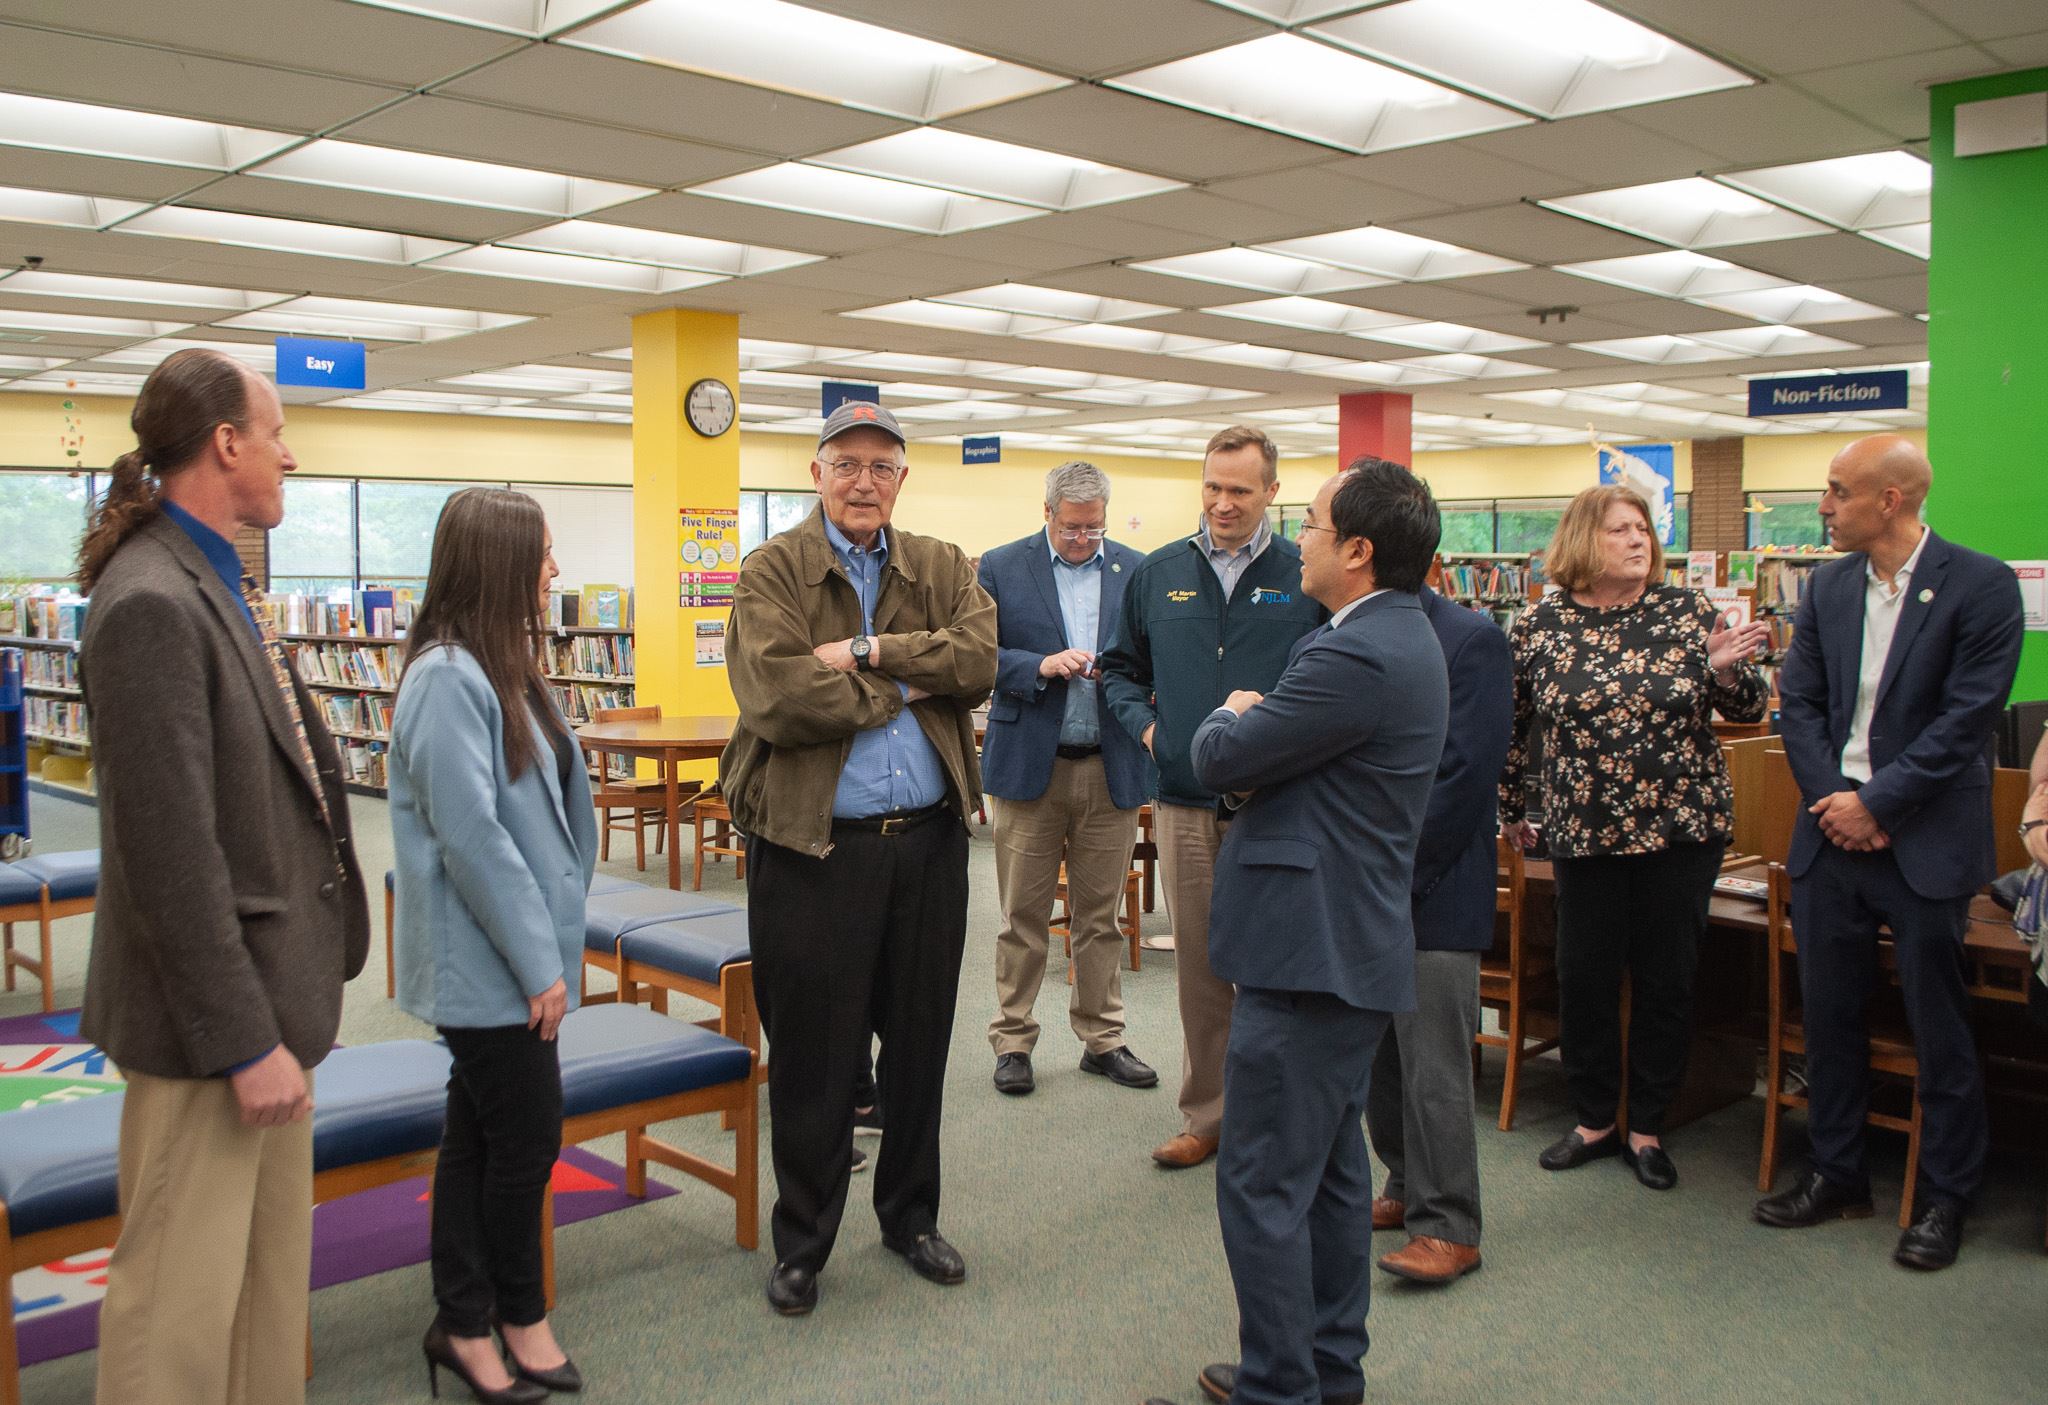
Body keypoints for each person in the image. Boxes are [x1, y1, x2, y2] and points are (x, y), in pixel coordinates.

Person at [75, 347, 370, 1405]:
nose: (290, 454)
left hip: (271, 1003)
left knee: (259, 1298)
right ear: (226, 442)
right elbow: (167, 853)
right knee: (176, 1313)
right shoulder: (152, 598)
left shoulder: (220, 576)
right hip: (212, 1031)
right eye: (277, 431)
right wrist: (245, 1040)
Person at [1147, 460, 1448, 1405]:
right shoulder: (1395, 634)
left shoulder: (1352, 651)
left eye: (1310, 524)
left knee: (1265, 1181)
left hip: (1308, 951)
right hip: (1340, 945)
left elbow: (1220, 756)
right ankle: (1323, 1370)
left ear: (1357, 551)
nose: (1298, 538)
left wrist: (1231, 712)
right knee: (1325, 1176)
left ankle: (1281, 1386)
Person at [720, 399, 996, 1316]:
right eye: (847, 464)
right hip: (813, 849)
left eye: (882, 465)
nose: (864, 481)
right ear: (817, 474)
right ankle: (803, 1241)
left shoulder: (943, 565)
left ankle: (911, 1217)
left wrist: (874, 655)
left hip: (927, 846)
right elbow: (777, 694)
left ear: (902, 479)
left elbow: (983, 657)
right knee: (813, 1054)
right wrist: (909, 688)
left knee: (919, 1042)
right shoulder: (772, 570)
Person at [1754, 435, 2024, 1271]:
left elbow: (1967, 719)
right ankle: (1836, 1171)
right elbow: (1798, 704)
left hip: (1924, 840)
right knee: (1829, 1015)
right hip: (1832, 838)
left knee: (1939, 1024)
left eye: (1838, 491)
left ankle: (1945, 1195)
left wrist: (1878, 802)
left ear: (1891, 500)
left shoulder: (1982, 585)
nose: (1825, 505)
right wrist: (1838, 802)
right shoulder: (1829, 586)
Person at [389, 488, 599, 1402]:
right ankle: (511, 1313)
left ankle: (462, 1319)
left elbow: (550, 806)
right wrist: (537, 961)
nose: (555, 571)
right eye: (544, 555)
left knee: (476, 1137)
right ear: (501, 564)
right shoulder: (446, 676)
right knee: (526, 1137)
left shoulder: (506, 667)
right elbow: (471, 834)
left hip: (517, 954)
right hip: (489, 961)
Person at [1499, 484, 1769, 1191]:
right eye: (1620, 529)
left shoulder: (1686, 611)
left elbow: (1747, 705)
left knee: (1667, 978)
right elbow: (1512, 724)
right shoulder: (1540, 623)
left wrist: (1726, 669)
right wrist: (1507, 809)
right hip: (1582, 826)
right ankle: (1593, 1118)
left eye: (1643, 528)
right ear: (1586, 540)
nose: (1638, 540)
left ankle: (1647, 1124)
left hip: (1680, 824)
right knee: (1583, 973)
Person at [1100, 425, 1323, 1169]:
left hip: (1280, 805)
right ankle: (1209, 1115)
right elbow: (1118, 669)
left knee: (1279, 965)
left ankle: (1280, 1120)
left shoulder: (1305, 575)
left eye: (1239, 489)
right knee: (1201, 962)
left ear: (1271, 492)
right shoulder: (1160, 570)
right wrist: (1151, 733)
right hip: (1186, 801)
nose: (1223, 503)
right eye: (1212, 487)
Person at [978, 461, 1155, 1097]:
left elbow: (1155, 655)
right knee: (1021, 914)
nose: (1084, 539)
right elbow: (972, 655)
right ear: (1047, 513)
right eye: (1073, 528)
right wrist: (1040, 664)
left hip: (1110, 766)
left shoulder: (1136, 568)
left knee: (1100, 917)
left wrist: (1128, 674)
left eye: (1094, 528)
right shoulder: (1000, 566)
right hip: (1032, 766)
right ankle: (1013, 1039)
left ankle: (1102, 1038)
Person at [1366, 579, 1513, 1285]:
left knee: (1435, 1067)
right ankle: (1403, 1184)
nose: (1305, 541)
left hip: (1433, 884)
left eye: (1316, 528)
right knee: (1382, 1061)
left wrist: (1394, 870)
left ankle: (1450, 1223)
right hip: (1364, 884)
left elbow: (1463, 775)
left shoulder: (1470, 638)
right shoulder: (1343, 630)